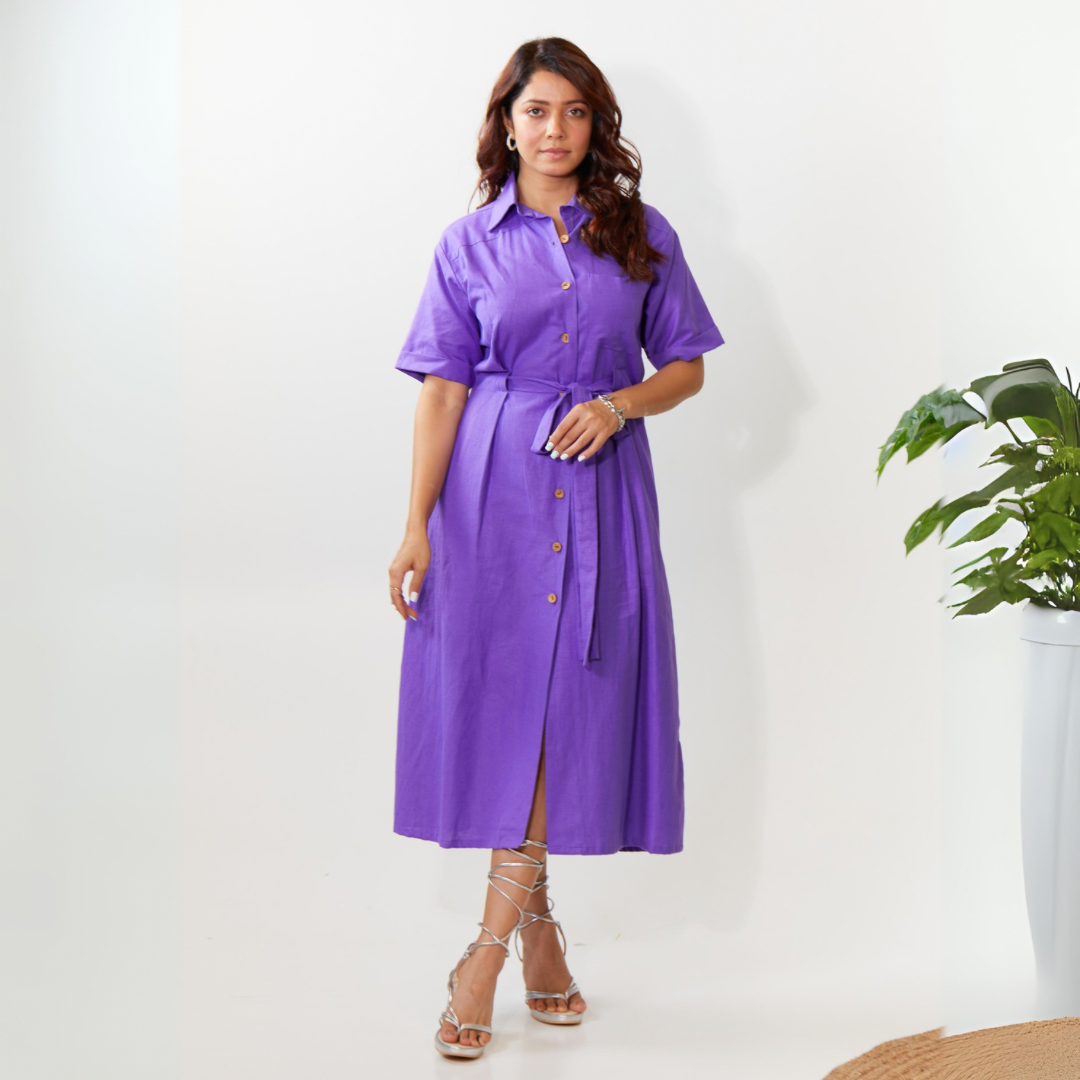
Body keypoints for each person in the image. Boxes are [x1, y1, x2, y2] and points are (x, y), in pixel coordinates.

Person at [387, 37, 725, 1060]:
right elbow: (443, 391)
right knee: (509, 712)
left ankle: (487, 953)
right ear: (506, 122)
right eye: (536, 110)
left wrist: (619, 405)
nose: (555, 130)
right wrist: (416, 524)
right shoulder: (467, 244)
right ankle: (531, 938)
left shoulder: (641, 233)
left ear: (596, 124)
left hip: (601, 490)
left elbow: (687, 367)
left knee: (566, 705)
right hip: (489, 499)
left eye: (575, 111)